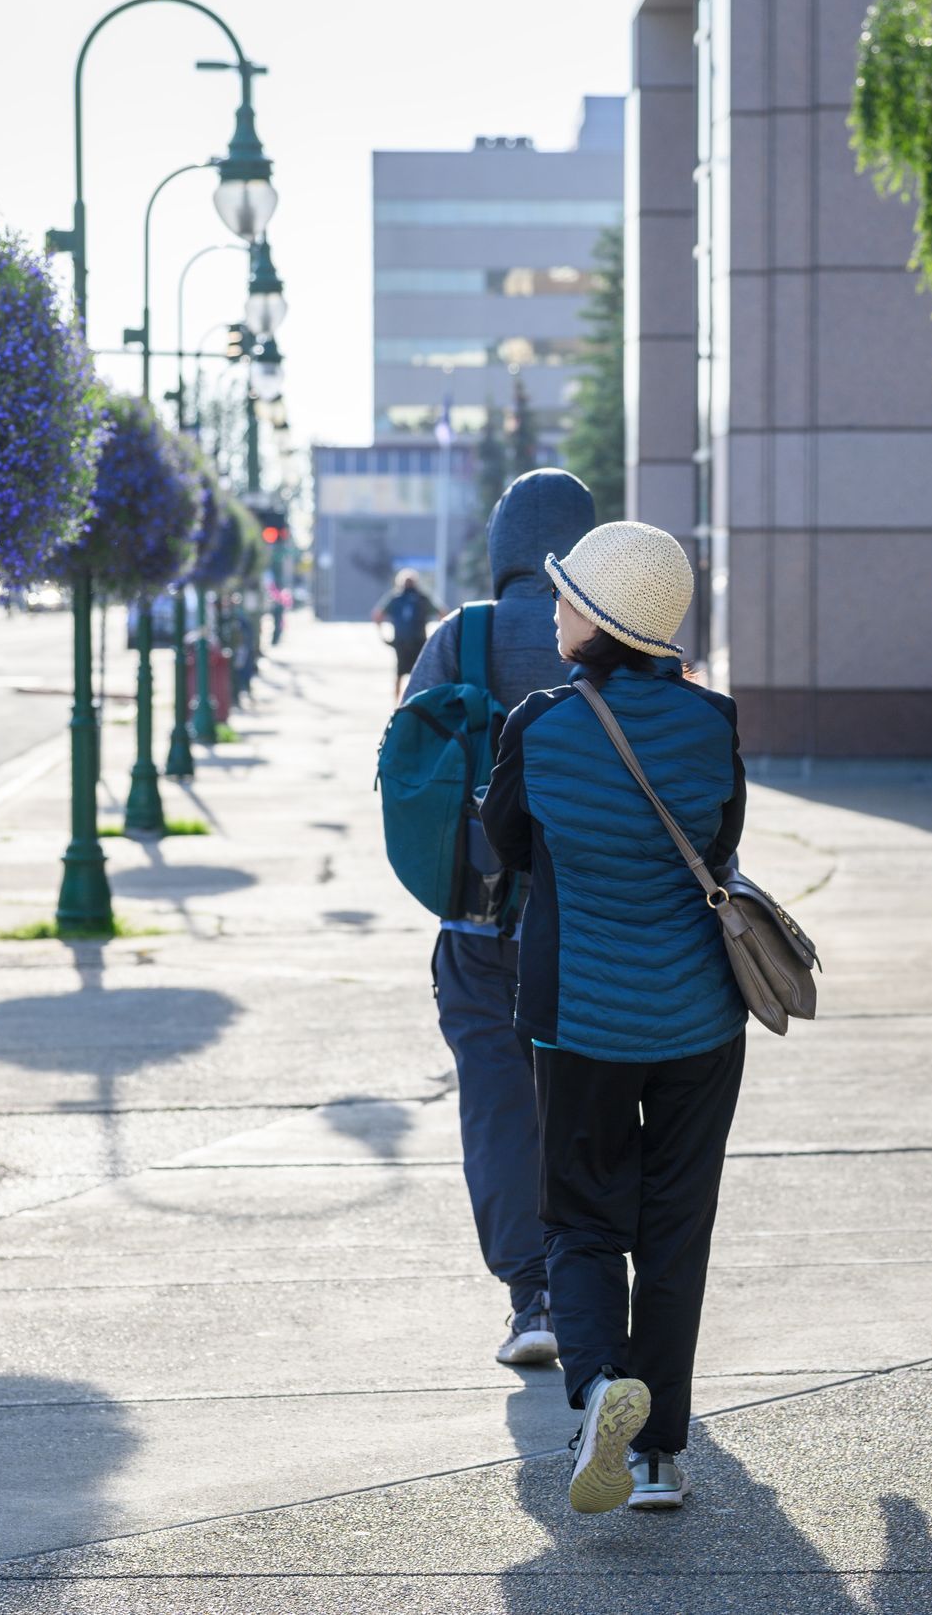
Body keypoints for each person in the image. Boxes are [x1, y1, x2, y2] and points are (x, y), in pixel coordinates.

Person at [480, 519, 748, 1517]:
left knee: (582, 1220)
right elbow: (718, 849)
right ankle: (662, 1458)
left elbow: (502, 847)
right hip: (697, 1022)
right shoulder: (714, 722)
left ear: (594, 618)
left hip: (580, 1023)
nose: (553, 609)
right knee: (676, 1227)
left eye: (563, 596)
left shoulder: (541, 726)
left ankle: (598, 1391)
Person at [401, 468, 597, 1369]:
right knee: (588, 1107)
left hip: (480, 922)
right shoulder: (612, 634)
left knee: (495, 1106)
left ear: (501, 546)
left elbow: (406, 759)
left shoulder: (461, 635)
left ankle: (532, 1299)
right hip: (594, 921)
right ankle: (594, 1288)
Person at [370, 569, 442, 699]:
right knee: (418, 674)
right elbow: (443, 613)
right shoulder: (421, 598)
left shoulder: (396, 598)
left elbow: (377, 615)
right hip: (417, 641)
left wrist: (382, 635)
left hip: (403, 641)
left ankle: (400, 704)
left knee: (401, 673)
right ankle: (414, 702)